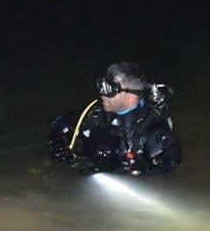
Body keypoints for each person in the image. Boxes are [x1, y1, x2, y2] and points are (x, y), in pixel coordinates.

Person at [48, 62, 180, 175]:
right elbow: (58, 125)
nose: (102, 93)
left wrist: (122, 171)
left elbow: (167, 171)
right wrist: (62, 153)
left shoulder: (153, 132)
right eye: (102, 86)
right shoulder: (94, 112)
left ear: (130, 97)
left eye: (109, 89)